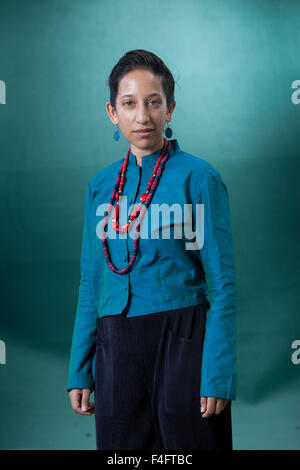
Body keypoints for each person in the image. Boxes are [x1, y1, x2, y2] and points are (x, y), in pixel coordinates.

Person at [66, 49, 238, 450]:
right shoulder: (100, 186)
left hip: (184, 337)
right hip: (116, 345)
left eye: (154, 102)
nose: (142, 116)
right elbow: (90, 281)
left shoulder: (200, 178)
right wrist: (80, 369)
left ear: (170, 108)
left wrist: (217, 373)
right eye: (129, 104)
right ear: (112, 112)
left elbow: (223, 282)